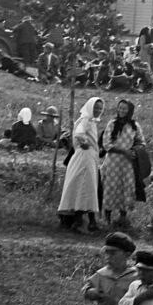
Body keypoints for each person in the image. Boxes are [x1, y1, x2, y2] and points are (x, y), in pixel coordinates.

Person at [58, 97, 104, 232]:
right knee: (84, 185)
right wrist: (84, 142)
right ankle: (81, 220)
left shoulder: (92, 122)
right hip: (84, 157)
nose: (98, 110)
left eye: (100, 108)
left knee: (88, 186)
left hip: (90, 157)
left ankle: (88, 220)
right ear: (90, 107)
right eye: (96, 107)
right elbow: (79, 133)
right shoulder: (85, 120)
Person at [100, 99, 145, 229]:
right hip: (113, 162)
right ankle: (107, 217)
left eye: (124, 108)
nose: (121, 110)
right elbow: (106, 144)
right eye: (120, 108)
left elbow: (141, 142)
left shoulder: (134, 126)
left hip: (127, 163)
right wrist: (123, 151)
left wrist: (134, 151)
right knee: (110, 187)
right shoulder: (112, 124)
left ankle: (122, 218)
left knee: (126, 187)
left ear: (129, 110)